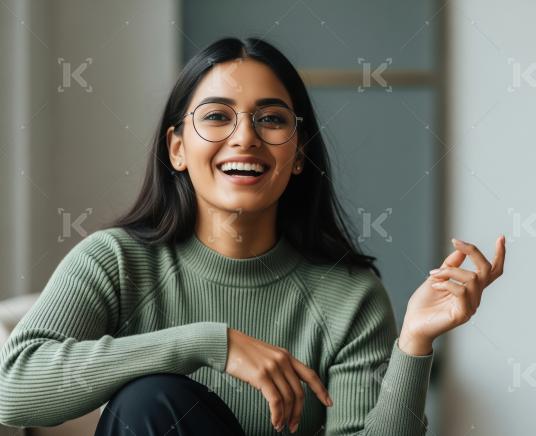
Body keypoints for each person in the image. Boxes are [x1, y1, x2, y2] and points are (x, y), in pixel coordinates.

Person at [0, 37, 506, 435]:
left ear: (299, 153)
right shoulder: (115, 261)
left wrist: (414, 343)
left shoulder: (349, 296)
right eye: (218, 116)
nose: (245, 136)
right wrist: (205, 344)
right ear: (176, 148)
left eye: (271, 119)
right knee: (149, 403)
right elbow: (12, 387)